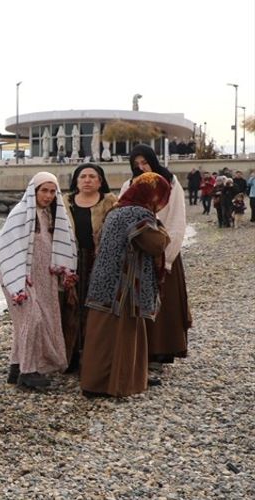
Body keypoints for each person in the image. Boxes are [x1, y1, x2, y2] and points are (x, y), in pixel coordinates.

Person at [81, 172, 172, 398]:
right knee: (122, 335)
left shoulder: (116, 210)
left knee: (100, 335)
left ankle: (93, 382)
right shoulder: (138, 213)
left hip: (102, 283)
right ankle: (120, 384)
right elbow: (155, 244)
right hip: (123, 289)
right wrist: (162, 230)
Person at [0, 172, 77, 390]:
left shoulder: (50, 215)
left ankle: (17, 367)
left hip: (44, 277)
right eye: (44, 190)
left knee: (28, 323)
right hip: (20, 277)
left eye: (53, 191)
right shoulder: (21, 213)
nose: (49, 195)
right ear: (34, 191)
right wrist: (18, 279)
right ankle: (28, 372)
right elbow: (7, 248)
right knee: (32, 320)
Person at [121, 145, 191, 371]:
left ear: (153, 161)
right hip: (137, 253)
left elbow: (177, 220)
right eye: (136, 165)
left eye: (145, 163)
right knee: (137, 302)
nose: (141, 168)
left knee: (164, 303)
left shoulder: (170, 183)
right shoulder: (129, 185)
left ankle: (161, 351)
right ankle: (140, 351)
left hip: (164, 250)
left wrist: (166, 256)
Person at [60, 163, 118, 373]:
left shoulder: (110, 202)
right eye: (82, 176)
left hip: (99, 262)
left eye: (92, 176)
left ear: (100, 181)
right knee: (70, 307)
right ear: (76, 181)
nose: (87, 180)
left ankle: (94, 357)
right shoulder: (66, 202)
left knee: (95, 309)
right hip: (72, 261)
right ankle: (70, 356)